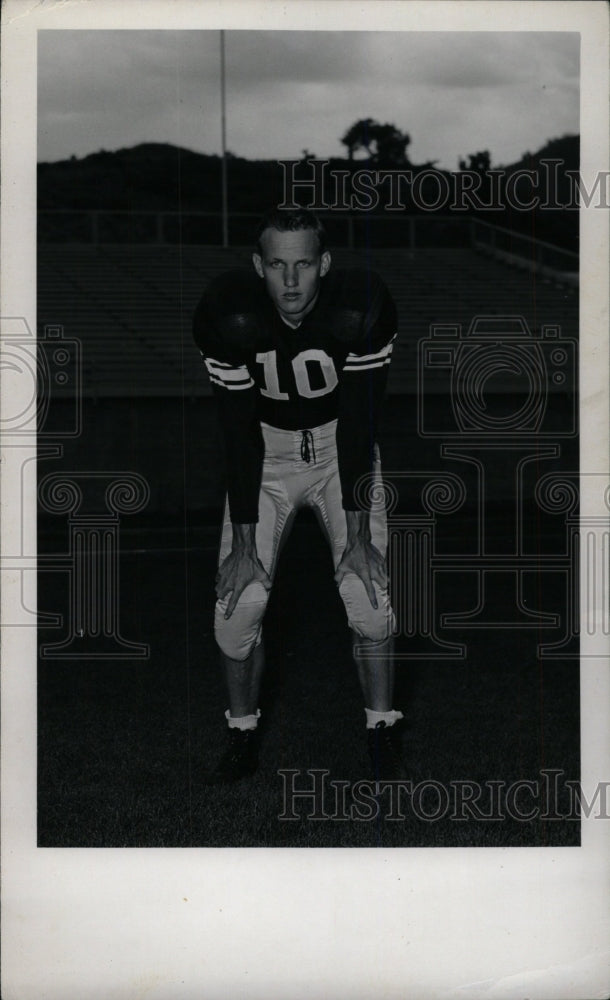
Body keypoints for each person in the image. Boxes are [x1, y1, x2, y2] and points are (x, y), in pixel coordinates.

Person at [192, 207, 404, 784]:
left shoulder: (358, 308)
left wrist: (358, 539)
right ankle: (241, 735)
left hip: (340, 453)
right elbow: (238, 436)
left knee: (368, 594)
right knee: (237, 609)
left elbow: (360, 426)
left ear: (325, 265)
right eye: (278, 265)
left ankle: (381, 730)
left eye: (304, 264)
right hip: (265, 457)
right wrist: (241, 545)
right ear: (258, 265)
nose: (290, 282)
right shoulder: (229, 315)